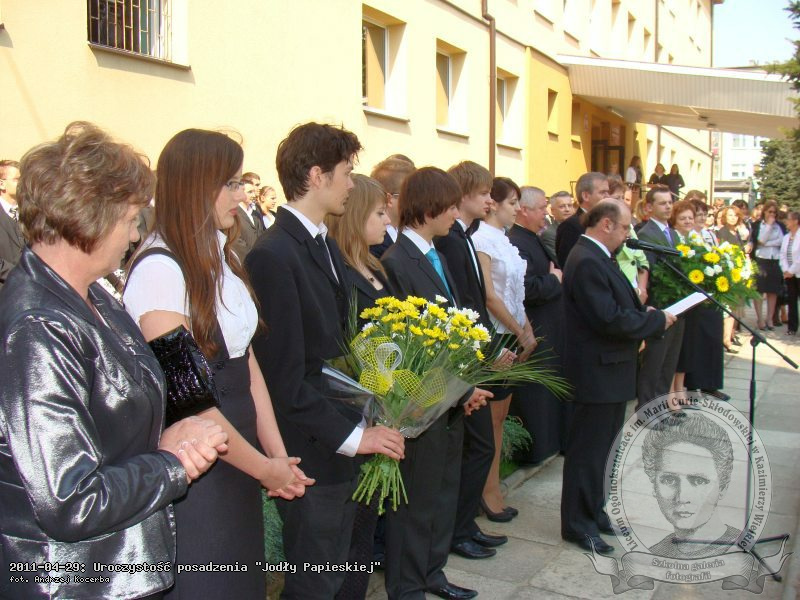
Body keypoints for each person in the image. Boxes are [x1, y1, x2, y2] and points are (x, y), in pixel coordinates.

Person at [0, 122, 228, 600]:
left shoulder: (94, 296)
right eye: (129, 219)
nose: (135, 233)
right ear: (90, 218)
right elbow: (69, 499)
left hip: (116, 570)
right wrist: (171, 463)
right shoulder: (38, 328)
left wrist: (168, 439)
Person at [123, 129, 312, 599]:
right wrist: (265, 469)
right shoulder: (160, 270)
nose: (243, 194)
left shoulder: (219, 255)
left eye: (241, 182)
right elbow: (191, 400)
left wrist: (275, 455)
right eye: (229, 183)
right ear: (194, 185)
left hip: (239, 457)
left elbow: (247, 364)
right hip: (201, 470)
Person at [245, 123, 404, 599]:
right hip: (311, 449)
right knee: (315, 583)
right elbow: (284, 378)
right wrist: (354, 438)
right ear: (317, 176)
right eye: (346, 172)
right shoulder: (273, 255)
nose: (352, 184)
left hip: (337, 435)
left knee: (344, 574)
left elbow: (335, 346)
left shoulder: (322, 243)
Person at [381, 166, 487, 600]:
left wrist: (463, 387)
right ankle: (407, 586)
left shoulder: (435, 254)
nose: (456, 214)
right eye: (450, 206)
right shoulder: (396, 262)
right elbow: (406, 345)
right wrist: (457, 389)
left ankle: (432, 573)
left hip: (449, 400)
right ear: (428, 208)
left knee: (442, 493)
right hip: (421, 404)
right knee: (416, 504)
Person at [560, 200, 675, 555]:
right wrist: (654, 321)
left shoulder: (599, 257)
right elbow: (607, 318)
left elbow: (617, 306)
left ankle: (594, 512)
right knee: (587, 453)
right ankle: (578, 524)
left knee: (603, 451)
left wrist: (644, 312)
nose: (628, 235)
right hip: (596, 371)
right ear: (606, 224)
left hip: (609, 369)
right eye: (625, 228)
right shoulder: (586, 259)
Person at [325, 173, 391, 600]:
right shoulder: (344, 275)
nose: (387, 221)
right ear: (355, 216)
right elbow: (347, 345)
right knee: (351, 532)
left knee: (365, 528)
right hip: (357, 409)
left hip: (385, 403)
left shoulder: (376, 265)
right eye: (379, 213)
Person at [439, 160, 509, 559]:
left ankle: (464, 525)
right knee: (477, 446)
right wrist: (487, 351)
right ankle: (458, 529)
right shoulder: (451, 239)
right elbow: (464, 304)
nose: (490, 201)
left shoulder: (465, 236)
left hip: (476, 354)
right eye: (483, 193)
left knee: (477, 447)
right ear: (463, 195)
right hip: (466, 360)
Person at [471, 177, 536, 523]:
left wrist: (527, 329)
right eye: (512, 202)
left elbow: (515, 294)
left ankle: (492, 486)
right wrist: (517, 331)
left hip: (511, 332)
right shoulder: (481, 239)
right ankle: (487, 490)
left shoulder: (506, 241)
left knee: (500, 418)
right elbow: (489, 296)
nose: (517, 209)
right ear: (493, 204)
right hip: (495, 336)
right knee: (491, 419)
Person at [508, 186, 565, 462]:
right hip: (534, 325)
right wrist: (554, 280)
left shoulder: (531, 237)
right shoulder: (517, 241)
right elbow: (526, 288)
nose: (546, 213)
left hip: (548, 325)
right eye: (542, 208)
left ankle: (547, 443)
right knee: (534, 395)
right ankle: (534, 449)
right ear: (524, 210)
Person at [642, 412, 741, 559]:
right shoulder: (655, 553)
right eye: (669, 480)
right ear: (654, 486)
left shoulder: (739, 553)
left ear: (723, 487)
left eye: (698, 481)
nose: (682, 497)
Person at [636, 185, 686, 408]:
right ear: (649, 207)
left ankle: (661, 408)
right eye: (662, 203)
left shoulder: (672, 233)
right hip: (659, 305)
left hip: (678, 305)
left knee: (669, 362)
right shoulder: (646, 234)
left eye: (670, 202)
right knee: (654, 363)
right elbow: (648, 270)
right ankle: (647, 410)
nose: (668, 206)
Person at [555, 172, 610, 267]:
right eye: (602, 192)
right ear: (585, 196)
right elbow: (568, 265)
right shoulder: (570, 227)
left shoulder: (604, 222)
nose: (607, 196)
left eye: (608, 192)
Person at [369, 156, 416, 258]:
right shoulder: (375, 243)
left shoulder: (407, 232)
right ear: (389, 199)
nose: (418, 201)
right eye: (412, 195)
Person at [715, 205, 747, 351]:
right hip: (727, 273)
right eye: (729, 215)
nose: (733, 218)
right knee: (728, 308)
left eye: (735, 215)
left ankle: (729, 336)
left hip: (737, 273)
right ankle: (725, 338)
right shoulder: (722, 232)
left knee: (734, 308)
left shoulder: (736, 232)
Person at [751, 200, 786, 331]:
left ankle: (769, 318)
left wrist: (768, 243)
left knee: (773, 291)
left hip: (775, 260)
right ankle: (760, 318)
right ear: (764, 212)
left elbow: (782, 241)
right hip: (761, 259)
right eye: (769, 211)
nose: (772, 214)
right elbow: (760, 240)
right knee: (759, 291)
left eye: (774, 212)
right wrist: (769, 226)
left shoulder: (780, 226)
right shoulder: (758, 225)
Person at [233, 171, 267, 260]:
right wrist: (253, 258)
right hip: (245, 261)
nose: (254, 195)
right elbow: (236, 241)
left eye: (253, 192)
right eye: (250, 192)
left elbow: (262, 234)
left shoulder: (255, 212)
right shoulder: (234, 213)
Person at [0, 159, 23, 288]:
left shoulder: (30, 211)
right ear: (1, 184)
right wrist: (19, 275)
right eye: (16, 179)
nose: (21, 183)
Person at [780, 211, 800, 336]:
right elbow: (782, 254)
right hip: (789, 274)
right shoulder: (786, 237)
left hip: (797, 272)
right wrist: (786, 270)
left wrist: (791, 271)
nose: (786, 221)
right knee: (792, 300)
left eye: (788, 219)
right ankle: (792, 327)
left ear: (795, 221)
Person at [540, 189, 573, 263]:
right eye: (562, 206)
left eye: (570, 205)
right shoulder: (550, 234)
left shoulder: (579, 228)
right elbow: (558, 261)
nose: (567, 209)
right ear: (552, 211)